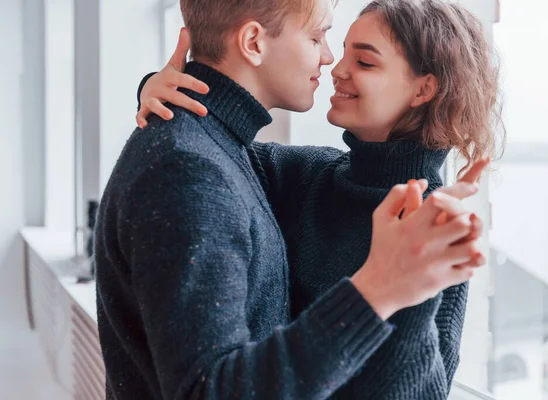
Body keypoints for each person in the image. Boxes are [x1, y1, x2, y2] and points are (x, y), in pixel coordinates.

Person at [95, 0, 488, 399]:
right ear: (253, 42)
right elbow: (200, 155)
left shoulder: (431, 231)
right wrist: (159, 88)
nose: (333, 64)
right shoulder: (283, 173)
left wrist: (408, 291)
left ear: (424, 88)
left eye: (365, 63)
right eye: (318, 36)